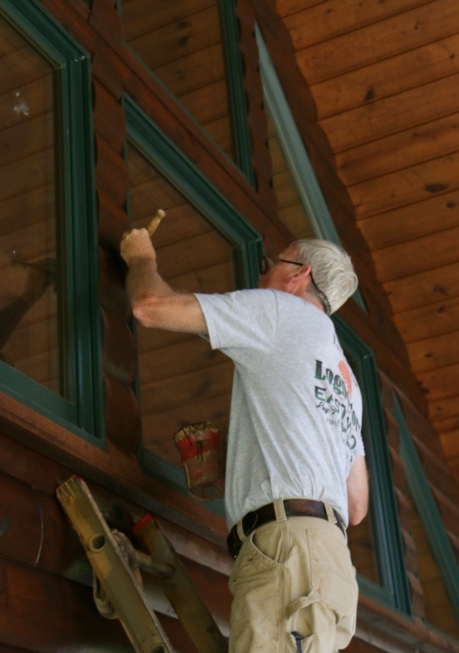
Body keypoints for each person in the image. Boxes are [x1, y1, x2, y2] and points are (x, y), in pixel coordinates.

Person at [120, 227, 369, 653]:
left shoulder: (282, 311)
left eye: (269, 265)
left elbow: (150, 307)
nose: (262, 276)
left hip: (288, 553)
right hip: (329, 567)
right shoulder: (345, 380)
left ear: (299, 275)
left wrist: (140, 257)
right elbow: (357, 506)